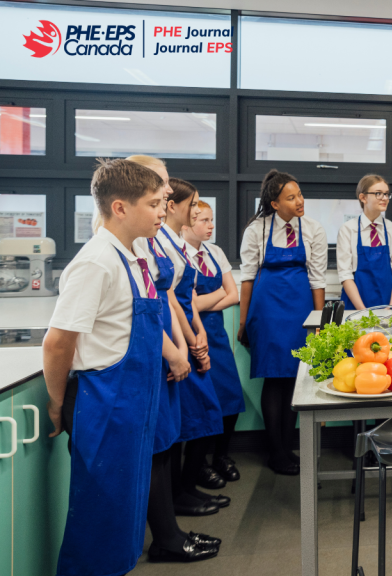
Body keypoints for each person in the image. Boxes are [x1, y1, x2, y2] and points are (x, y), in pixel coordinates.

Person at [42, 159, 168, 575]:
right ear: (119, 207)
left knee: (124, 516)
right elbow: (58, 341)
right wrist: (58, 404)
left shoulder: (131, 255)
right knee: (99, 518)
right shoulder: (96, 261)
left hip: (135, 404)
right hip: (106, 404)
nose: (162, 211)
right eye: (153, 204)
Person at [127, 155, 220, 562]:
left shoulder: (156, 234)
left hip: (171, 341)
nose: (167, 192)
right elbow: (147, 301)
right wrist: (177, 350)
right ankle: (166, 536)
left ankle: (169, 531)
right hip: (155, 346)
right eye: (160, 185)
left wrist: (187, 341)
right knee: (158, 447)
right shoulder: (133, 239)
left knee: (166, 442)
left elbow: (168, 296)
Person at [239, 169, 327, 475]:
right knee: (273, 378)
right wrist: (243, 321)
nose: (300, 201)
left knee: (295, 377)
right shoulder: (257, 230)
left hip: (300, 308)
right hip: (267, 309)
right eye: (291, 197)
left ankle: (288, 448)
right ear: (275, 203)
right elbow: (247, 277)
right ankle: (276, 452)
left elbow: (317, 279)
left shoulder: (313, 229)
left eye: (300, 194)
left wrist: (318, 323)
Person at [160, 178, 230, 514]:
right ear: (172, 205)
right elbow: (170, 299)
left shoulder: (176, 245)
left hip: (190, 334)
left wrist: (198, 332)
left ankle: (187, 488)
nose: (198, 209)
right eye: (194, 204)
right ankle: (179, 495)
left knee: (205, 416)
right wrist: (190, 342)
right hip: (178, 340)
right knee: (182, 426)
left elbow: (187, 297)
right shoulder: (161, 243)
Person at [182, 200, 246, 483]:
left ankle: (222, 455)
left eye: (211, 220)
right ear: (185, 224)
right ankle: (200, 464)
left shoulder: (215, 252)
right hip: (192, 335)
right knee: (202, 402)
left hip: (216, 334)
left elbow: (234, 295)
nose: (210, 226)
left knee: (230, 396)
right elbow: (185, 303)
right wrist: (214, 295)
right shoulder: (180, 256)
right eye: (203, 221)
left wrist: (200, 302)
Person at [337, 174, 392, 310]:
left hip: (388, 305)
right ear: (363, 197)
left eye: (386, 194)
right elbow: (345, 275)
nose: (385, 198)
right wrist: (362, 312)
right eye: (378, 194)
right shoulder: (348, 230)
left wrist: (390, 308)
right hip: (355, 306)